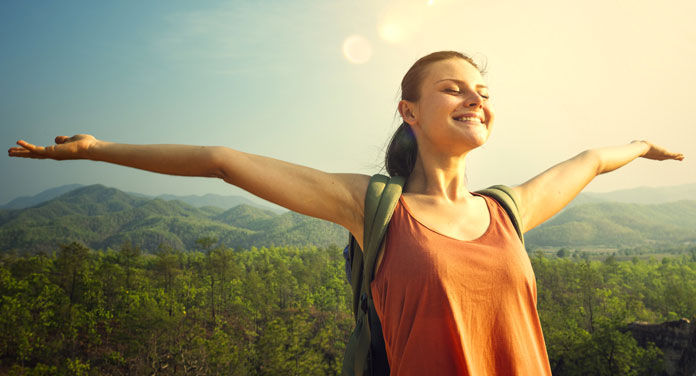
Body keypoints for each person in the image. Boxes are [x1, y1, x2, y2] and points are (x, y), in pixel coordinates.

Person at [8, 51, 684, 375]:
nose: (475, 98)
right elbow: (220, 159)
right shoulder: (374, 208)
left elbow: (591, 160)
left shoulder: (508, 211)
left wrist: (643, 146)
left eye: (482, 90)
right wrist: (97, 151)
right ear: (409, 112)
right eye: (453, 88)